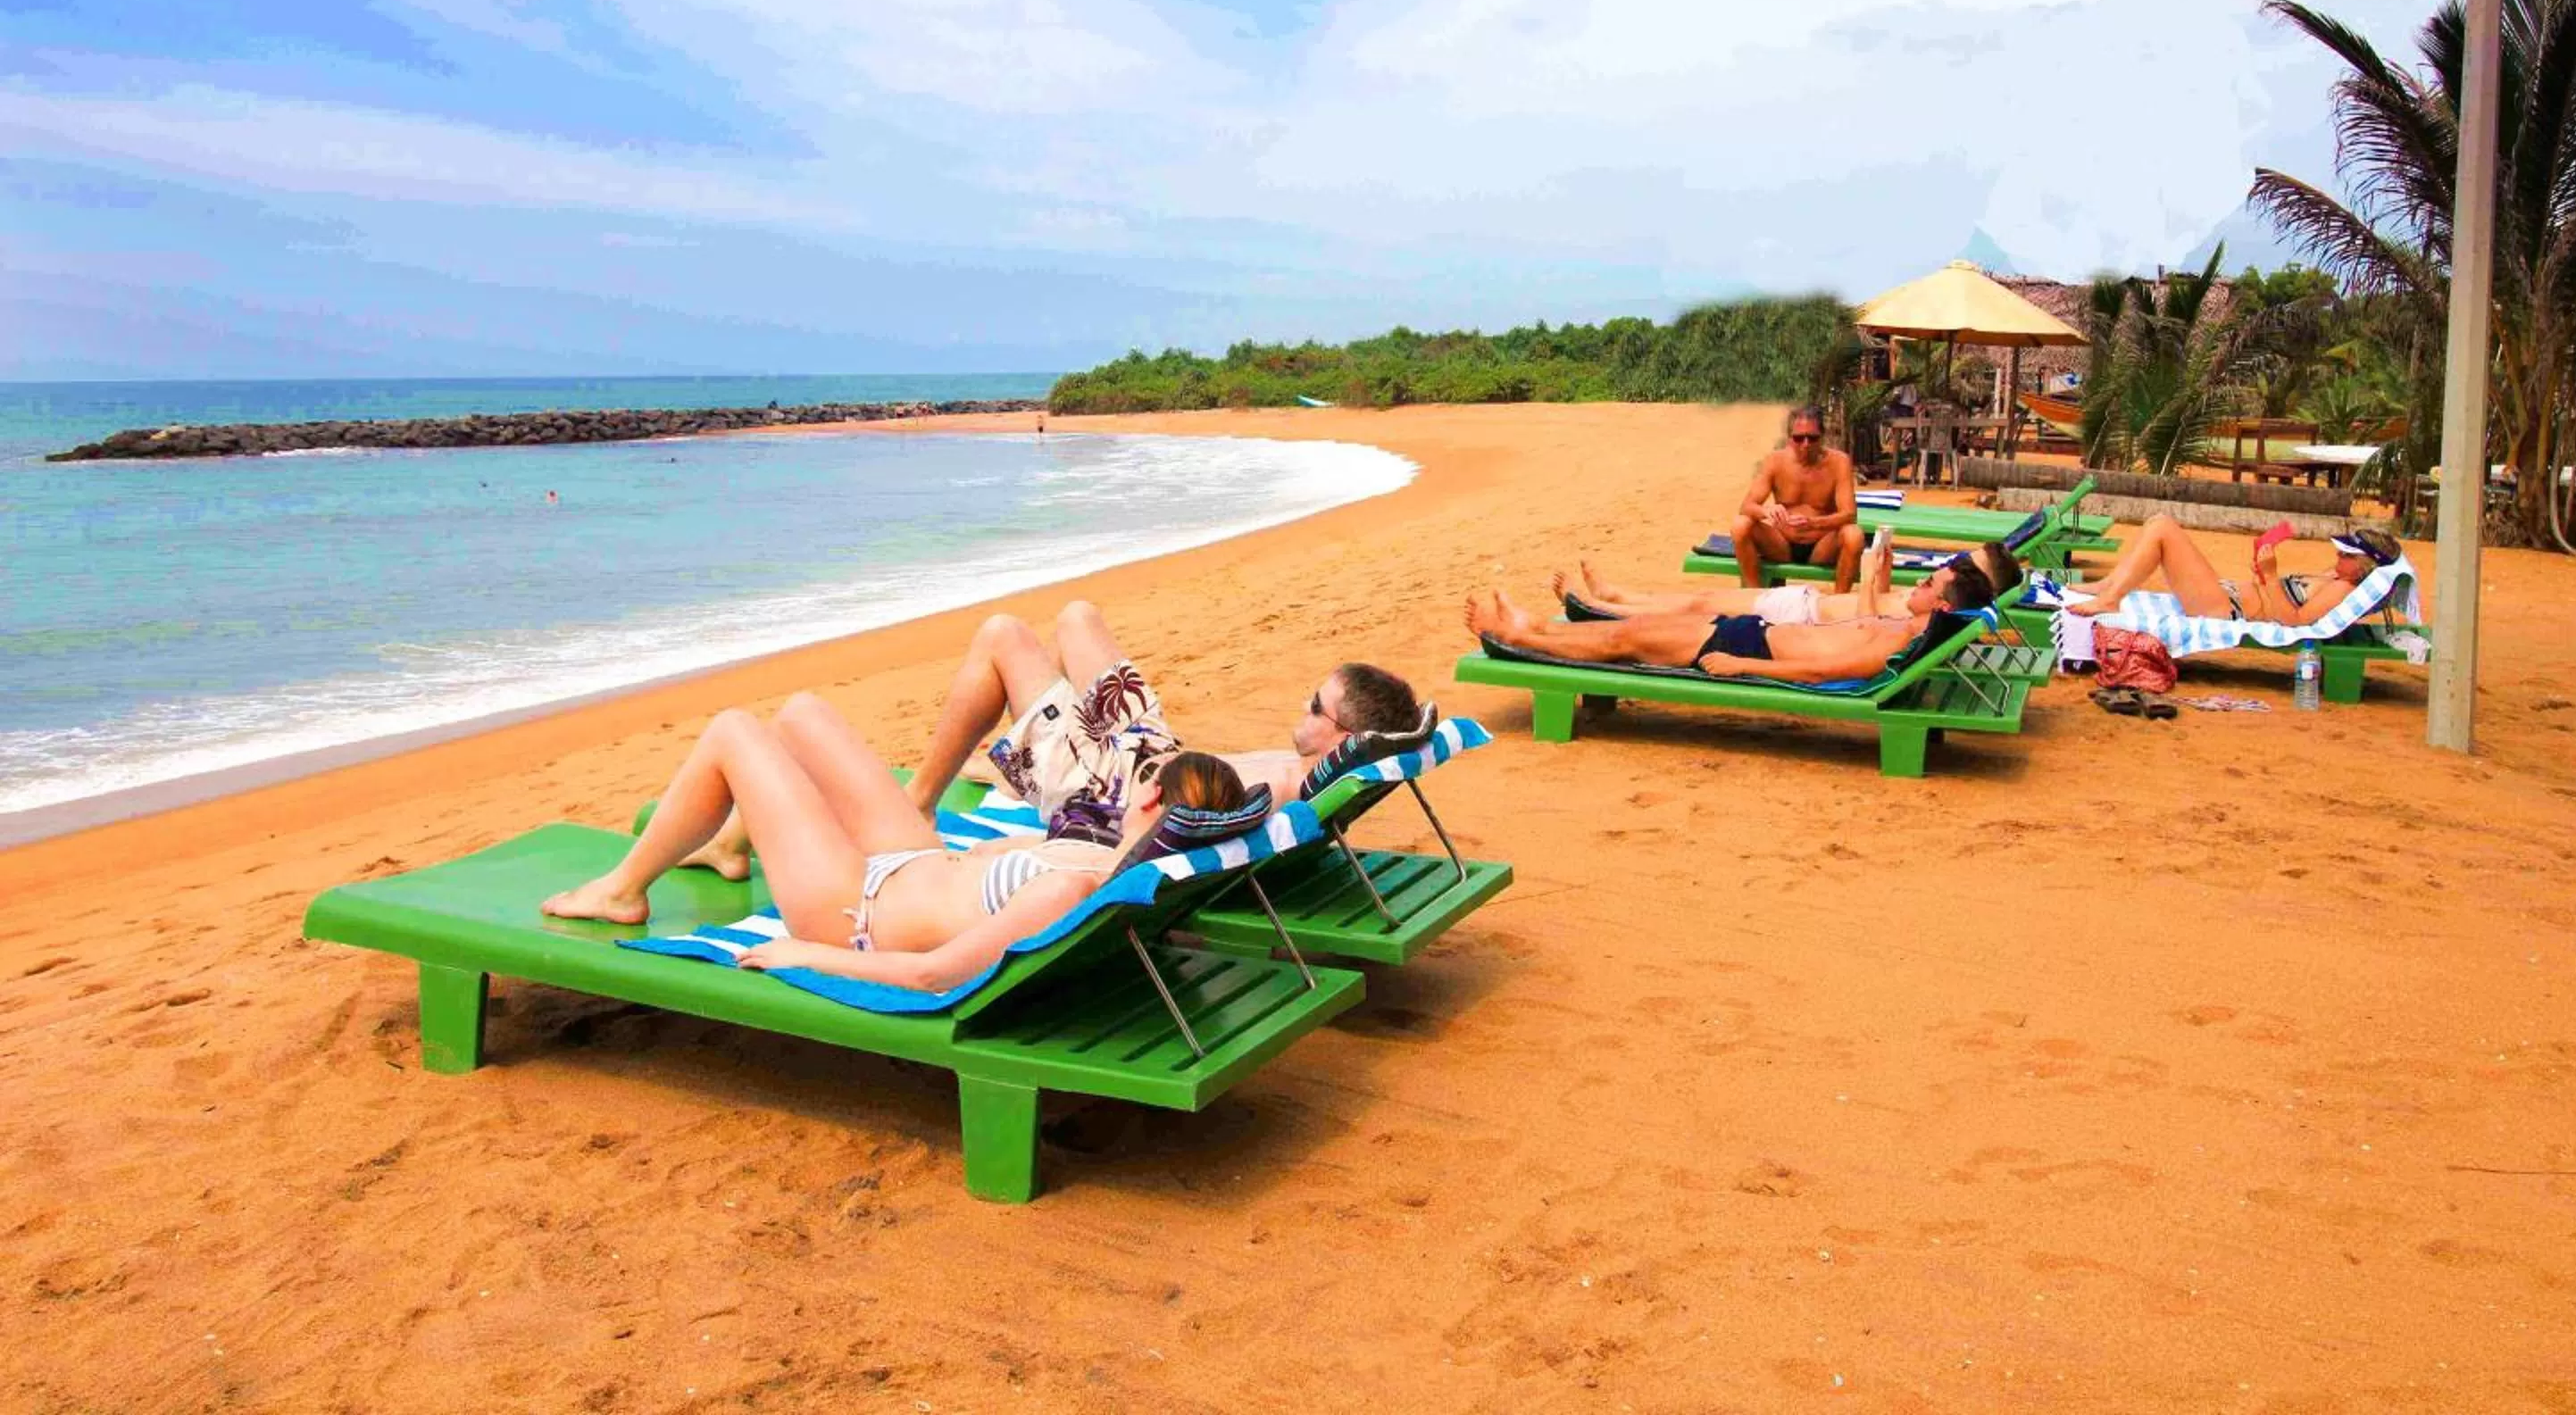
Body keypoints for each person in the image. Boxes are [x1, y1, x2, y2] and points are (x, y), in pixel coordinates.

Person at [673, 600, 1422, 877]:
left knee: (1001, 635)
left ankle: (925, 799)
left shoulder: (1300, 782)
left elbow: (1146, 827)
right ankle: (1027, 757)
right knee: (1078, 619)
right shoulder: (1312, 771)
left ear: (1342, 735)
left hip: (1119, 783)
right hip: (1149, 745)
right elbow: (1392, 740)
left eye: (1313, 704)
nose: (1302, 706)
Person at [542, 712, 1251, 995]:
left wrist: (807, 955)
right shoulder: (1108, 856)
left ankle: (622, 889)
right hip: (913, 862)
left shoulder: (1075, 893)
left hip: (855, 910)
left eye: (1148, 779)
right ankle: (731, 841)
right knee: (801, 715)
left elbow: (935, 972)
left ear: (1153, 803)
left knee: (734, 731)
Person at [1464, 552, 1997, 683]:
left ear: (1945, 607)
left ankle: (1520, 634)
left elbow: (1825, 673)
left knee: (1627, 641)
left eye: (1931, 585)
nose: (1921, 584)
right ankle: (1534, 629)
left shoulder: (1898, 643)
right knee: (1634, 632)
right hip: (1758, 636)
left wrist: (1746, 668)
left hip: (1752, 651)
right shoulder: (1906, 627)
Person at [1557, 538, 2022, 628]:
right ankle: (1618, 597)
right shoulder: (1937, 601)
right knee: (1700, 597)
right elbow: (1879, 602)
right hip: (1804, 602)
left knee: (1697, 610)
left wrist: (1864, 580)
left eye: (1966, 564)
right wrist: (1881, 569)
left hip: (1799, 617)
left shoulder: (1940, 607)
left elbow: (1865, 623)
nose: (1955, 565)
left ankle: (1606, 612)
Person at [2062, 520, 2405, 627]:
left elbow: (2295, 622)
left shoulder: (2343, 591)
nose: (2337, 555)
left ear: (2364, 566)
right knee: (2156, 523)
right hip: (2228, 594)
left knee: (2164, 529)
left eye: (2347, 554)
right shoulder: (2336, 576)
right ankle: (2109, 586)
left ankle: (2111, 598)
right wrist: (2264, 571)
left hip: (2226, 610)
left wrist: (2270, 577)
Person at [1729, 405, 1863, 591]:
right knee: (1740, 525)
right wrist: (1766, 511)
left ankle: (1839, 601)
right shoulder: (1775, 461)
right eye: (1799, 438)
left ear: (1822, 436)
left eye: (1812, 438)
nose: (1805, 444)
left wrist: (1814, 523)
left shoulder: (1839, 462)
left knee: (1854, 535)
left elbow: (1849, 515)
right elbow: (1747, 506)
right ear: (1789, 437)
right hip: (1781, 544)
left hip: (1821, 547)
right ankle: (1755, 595)